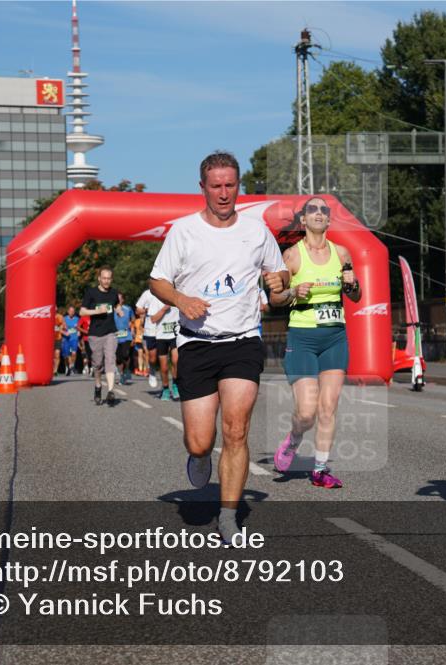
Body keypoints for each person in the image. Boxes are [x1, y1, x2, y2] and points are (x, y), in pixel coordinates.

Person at [149, 151, 288, 544]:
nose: (224, 193)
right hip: (196, 343)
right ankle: (197, 456)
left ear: (238, 186)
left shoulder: (256, 231)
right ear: (203, 188)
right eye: (216, 186)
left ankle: (228, 516)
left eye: (230, 185)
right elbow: (157, 280)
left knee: (237, 429)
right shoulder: (184, 232)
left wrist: (278, 284)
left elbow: (276, 275)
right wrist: (180, 300)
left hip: (242, 341)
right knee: (200, 440)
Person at [271, 197, 361, 488]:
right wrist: (295, 291)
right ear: (303, 220)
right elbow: (275, 299)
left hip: (335, 337)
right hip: (303, 338)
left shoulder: (342, 252)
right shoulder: (292, 256)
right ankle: (294, 438)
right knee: (307, 411)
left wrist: (352, 285)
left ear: (329, 220)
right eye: (313, 209)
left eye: (325, 210)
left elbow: (356, 295)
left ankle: (320, 470)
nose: (320, 213)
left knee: (328, 407)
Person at [80, 266, 124, 405]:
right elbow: (82, 312)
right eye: (104, 278)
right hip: (95, 334)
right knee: (98, 365)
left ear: (111, 279)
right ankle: (98, 386)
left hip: (110, 332)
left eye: (108, 278)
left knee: (110, 359)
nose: (106, 281)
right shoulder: (91, 293)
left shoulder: (114, 293)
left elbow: (116, 305)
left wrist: (119, 310)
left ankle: (111, 391)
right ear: (99, 278)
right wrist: (97, 312)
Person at [151, 302, 181, 400]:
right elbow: (153, 319)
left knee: (176, 361)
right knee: (164, 368)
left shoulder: (176, 298)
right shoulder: (156, 301)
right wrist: (164, 309)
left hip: (175, 335)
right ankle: (165, 389)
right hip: (161, 337)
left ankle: (176, 384)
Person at [135, 288, 161, 387]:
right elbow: (138, 309)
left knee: (169, 356)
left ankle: (170, 385)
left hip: (166, 328)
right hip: (151, 328)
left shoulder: (169, 290)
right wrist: (147, 310)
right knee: (152, 357)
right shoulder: (147, 293)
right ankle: (152, 371)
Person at [114, 293, 135, 385]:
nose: (118, 301)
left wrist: (132, 328)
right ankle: (121, 374)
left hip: (127, 335)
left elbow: (133, 319)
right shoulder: (111, 310)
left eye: (120, 299)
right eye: (117, 299)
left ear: (123, 300)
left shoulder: (128, 308)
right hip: (115, 336)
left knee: (125, 354)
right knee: (118, 358)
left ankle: (126, 370)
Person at [61, 305, 80, 375]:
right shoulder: (64, 318)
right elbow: (60, 329)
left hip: (74, 338)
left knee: (74, 353)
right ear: (68, 311)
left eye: (73, 311)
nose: (72, 313)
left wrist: (79, 332)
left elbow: (78, 327)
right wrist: (65, 332)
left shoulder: (77, 319)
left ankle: (72, 366)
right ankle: (67, 366)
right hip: (66, 339)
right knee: (66, 355)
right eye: (70, 311)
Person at [53, 307, 65, 375]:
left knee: (57, 354)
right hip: (49, 339)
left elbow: (63, 325)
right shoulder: (48, 316)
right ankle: (51, 369)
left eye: (56, 308)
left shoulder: (59, 316)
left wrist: (60, 328)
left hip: (58, 337)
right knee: (51, 356)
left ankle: (55, 370)